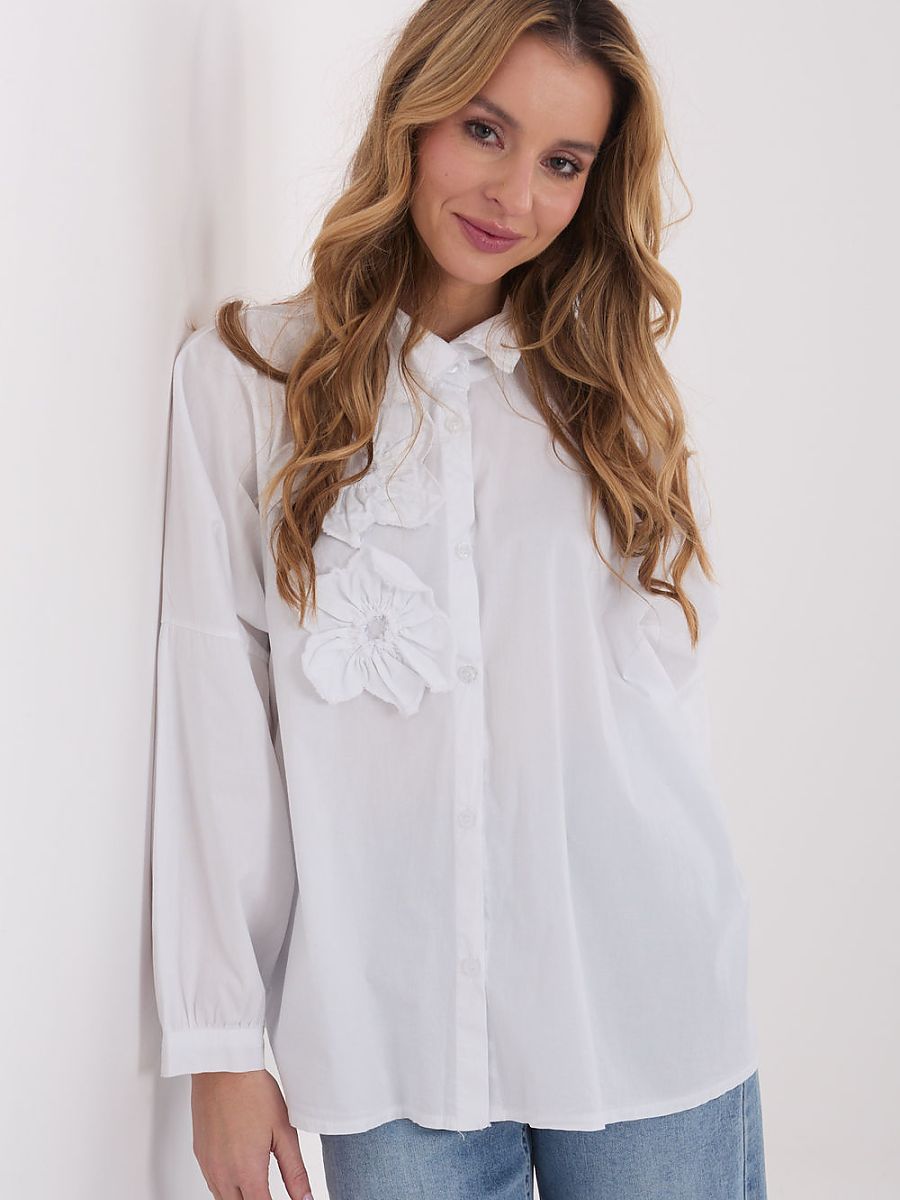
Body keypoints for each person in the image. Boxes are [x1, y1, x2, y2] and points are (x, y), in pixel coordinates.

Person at [150, 0, 769, 1197]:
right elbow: (213, 713)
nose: (514, 195)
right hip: (392, 1037)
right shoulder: (250, 384)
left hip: (645, 1009)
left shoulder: (614, 404)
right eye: (485, 130)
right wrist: (219, 1042)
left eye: (563, 162)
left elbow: (655, 716)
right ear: (414, 114)